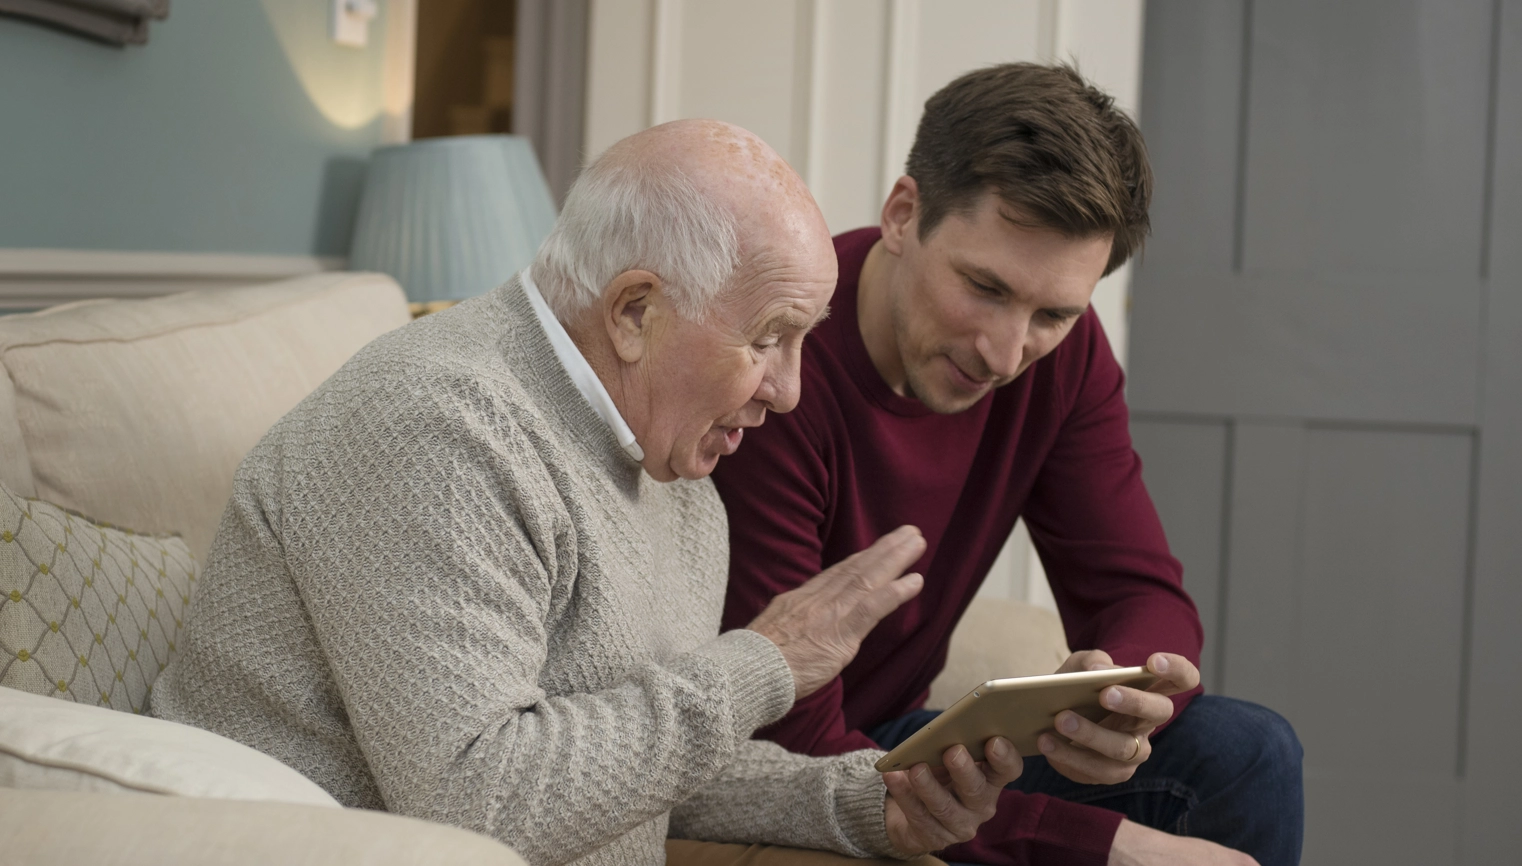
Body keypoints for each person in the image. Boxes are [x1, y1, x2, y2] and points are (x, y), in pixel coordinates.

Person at [151, 120, 1027, 866]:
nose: (788, 390)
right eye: (769, 338)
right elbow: (478, 801)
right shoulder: (437, 425)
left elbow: (627, 764)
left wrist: (870, 801)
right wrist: (766, 661)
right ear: (633, 312)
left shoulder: (673, 466)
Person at [712, 64, 1305, 866]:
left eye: (1053, 312)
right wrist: (1103, 843)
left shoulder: (1062, 359)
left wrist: (1126, 699)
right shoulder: (783, 370)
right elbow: (785, 732)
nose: (1005, 351)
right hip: (778, 758)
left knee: (1249, 752)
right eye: (984, 287)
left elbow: (1136, 590)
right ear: (902, 213)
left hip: (902, 739)